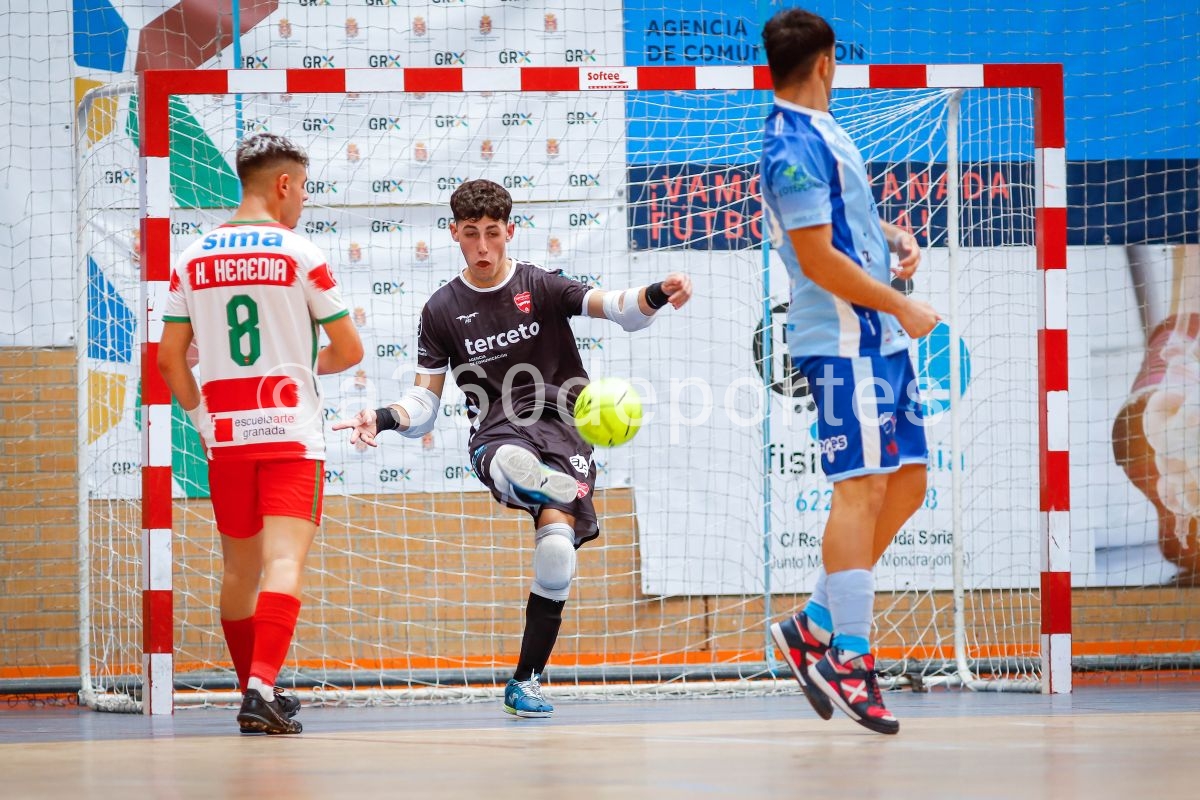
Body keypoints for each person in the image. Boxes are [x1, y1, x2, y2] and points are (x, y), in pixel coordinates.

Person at [334, 179, 692, 717]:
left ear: (510, 231)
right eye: (472, 234)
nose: (483, 248)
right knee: (506, 458)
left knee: (555, 556)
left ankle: (525, 681)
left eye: (493, 234)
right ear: (453, 232)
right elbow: (425, 403)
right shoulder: (441, 310)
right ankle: (515, 472)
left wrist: (658, 293)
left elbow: (616, 307)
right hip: (499, 428)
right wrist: (384, 417)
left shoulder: (540, 285)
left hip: (566, 427)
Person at [759, 9, 941, 735]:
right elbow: (816, 259)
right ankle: (851, 657)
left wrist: (894, 237)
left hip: (875, 334)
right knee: (859, 489)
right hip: (839, 339)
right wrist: (903, 301)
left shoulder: (828, 128)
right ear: (828, 61)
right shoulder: (790, 144)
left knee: (912, 480)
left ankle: (813, 624)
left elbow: (846, 227)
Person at [157, 133, 364, 734]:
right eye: (302, 186)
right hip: (290, 434)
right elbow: (347, 350)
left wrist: (200, 420)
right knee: (283, 564)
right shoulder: (299, 253)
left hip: (225, 434)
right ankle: (261, 687)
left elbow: (172, 360)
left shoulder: (191, 256)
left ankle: (255, 687)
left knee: (238, 573)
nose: (302, 198)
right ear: (282, 185)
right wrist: (300, 363)